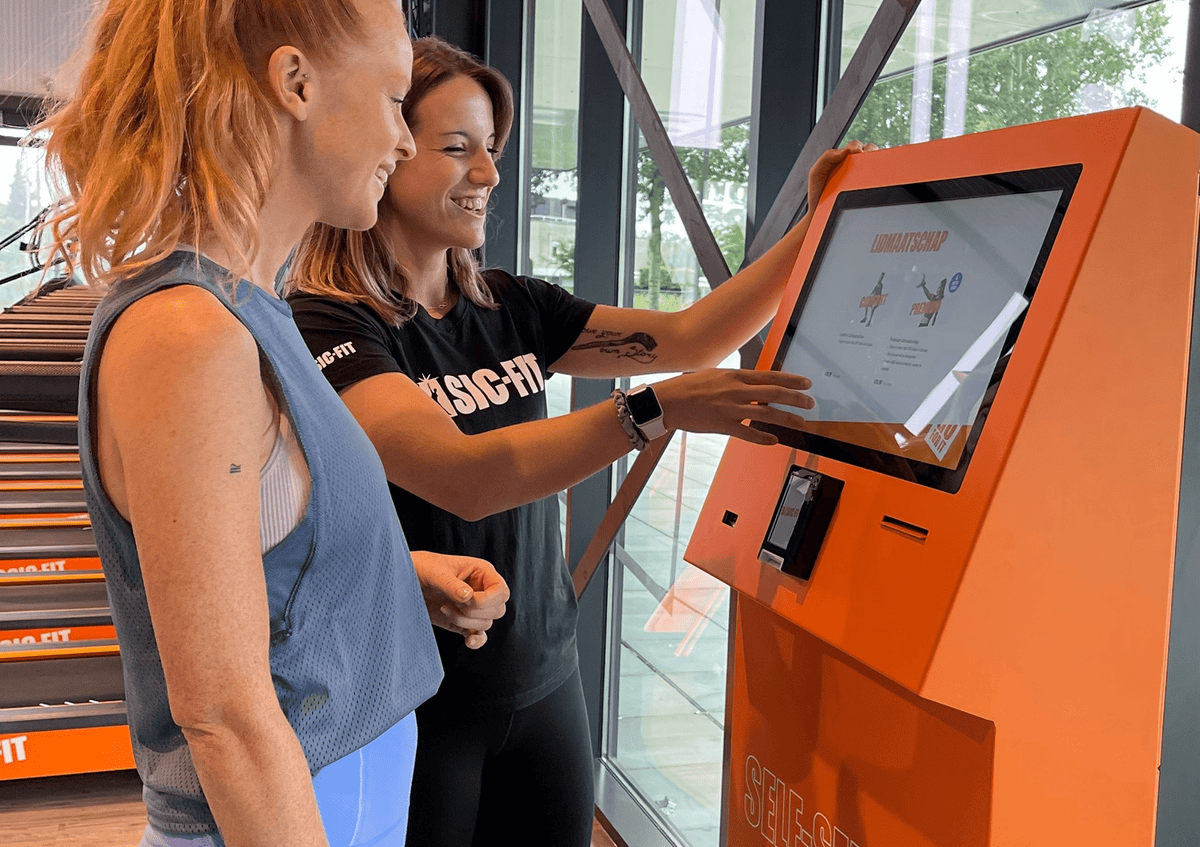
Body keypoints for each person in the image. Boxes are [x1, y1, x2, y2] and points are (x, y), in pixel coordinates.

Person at [286, 36, 873, 847]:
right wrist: (649, 413)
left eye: (491, 149)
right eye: (458, 148)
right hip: (414, 699)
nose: (488, 174)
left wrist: (817, 223)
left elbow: (691, 337)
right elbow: (461, 475)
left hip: (544, 678)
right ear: (387, 151)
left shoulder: (511, 307)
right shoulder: (327, 320)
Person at [37, 6, 507, 847]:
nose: (403, 141)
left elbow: (256, 545)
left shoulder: (252, 307)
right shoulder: (192, 335)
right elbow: (225, 716)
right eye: (396, 99)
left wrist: (387, 578)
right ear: (296, 83)